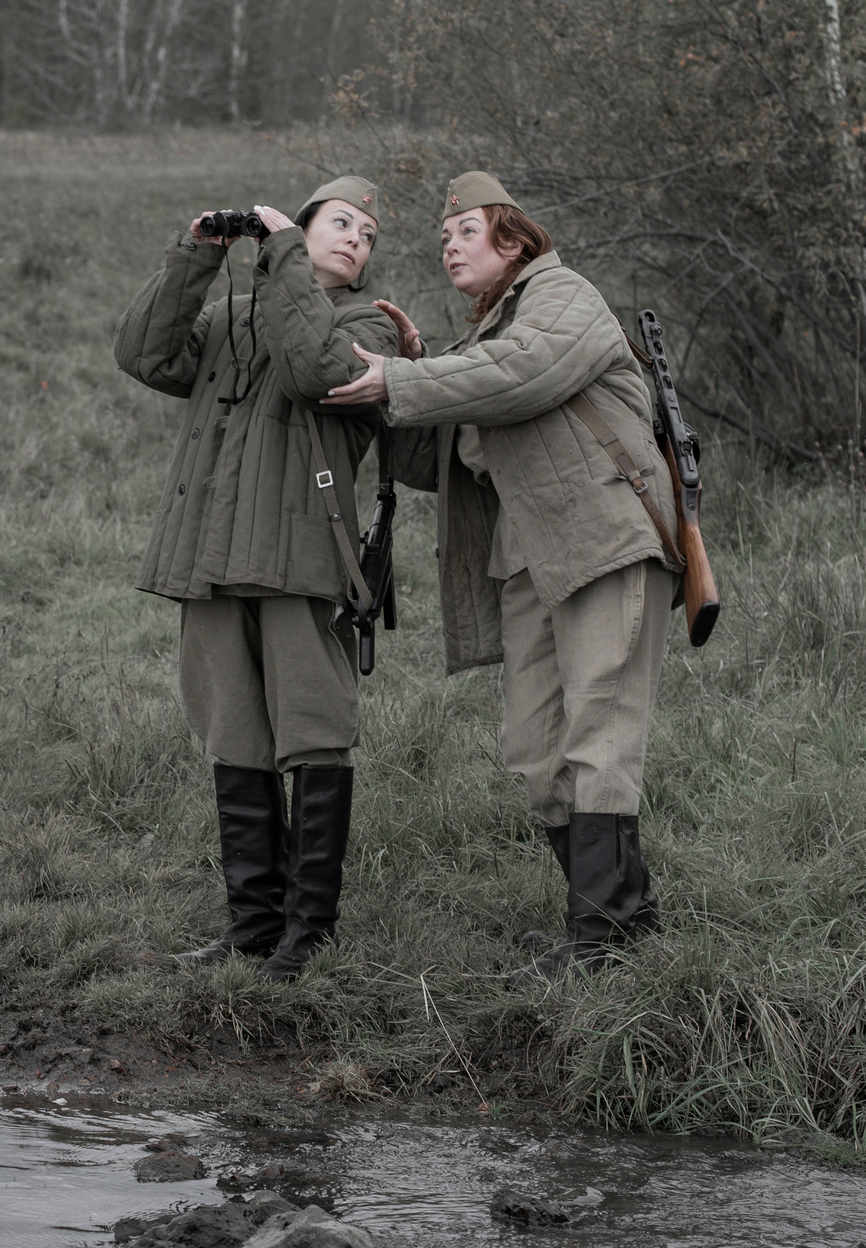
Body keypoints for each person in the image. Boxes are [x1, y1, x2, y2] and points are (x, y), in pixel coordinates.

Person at [327, 172, 678, 982]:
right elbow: (435, 459)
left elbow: (525, 373)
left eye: (466, 234)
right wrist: (412, 373)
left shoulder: (562, 298)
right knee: (534, 751)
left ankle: (600, 940)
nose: (449, 246)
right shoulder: (480, 341)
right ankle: (626, 921)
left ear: (514, 242)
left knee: (600, 735)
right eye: (443, 239)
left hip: (603, 537)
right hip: (527, 559)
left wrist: (407, 382)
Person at [113, 177, 402, 982]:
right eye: (340, 223)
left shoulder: (366, 325)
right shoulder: (232, 317)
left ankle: (309, 935)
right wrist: (196, 256)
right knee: (234, 736)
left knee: (312, 734)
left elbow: (314, 369)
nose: (356, 239)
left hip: (300, 561)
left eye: (369, 234)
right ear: (303, 227)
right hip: (210, 559)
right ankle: (251, 927)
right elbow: (144, 353)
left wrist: (281, 258)